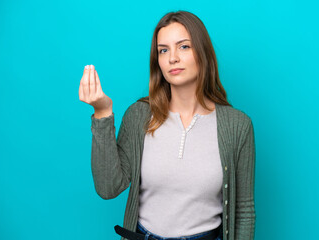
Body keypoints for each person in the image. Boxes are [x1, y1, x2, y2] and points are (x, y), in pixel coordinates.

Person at [79, 10, 256, 240]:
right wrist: (102, 114)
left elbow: (243, 211)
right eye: (163, 50)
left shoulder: (237, 126)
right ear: (158, 61)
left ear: (202, 53)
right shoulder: (139, 116)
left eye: (184, 46)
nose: (173, 57)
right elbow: (108, 187)